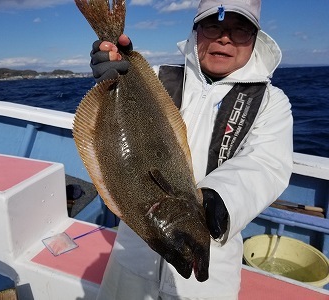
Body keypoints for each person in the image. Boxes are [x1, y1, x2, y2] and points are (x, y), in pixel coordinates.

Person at [90, 0, 293, 299]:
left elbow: (266, 164)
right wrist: (115, 69)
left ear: (255, 39)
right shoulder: (158, 79)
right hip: (132, 256)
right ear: (195, 32)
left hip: (209, 278)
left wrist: (218, 198)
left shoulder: (269, 102)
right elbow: (107, 131)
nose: (225, 38)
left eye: (240, 30)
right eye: (214, 26)